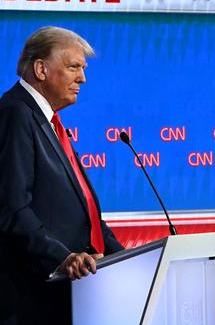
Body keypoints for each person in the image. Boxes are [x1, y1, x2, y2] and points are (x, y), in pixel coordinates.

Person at [0, 26, 123, 324]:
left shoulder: (47, 121)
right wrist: (61, 257)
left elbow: (85, 213)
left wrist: (124, 258)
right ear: (41, 69)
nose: (82, 78)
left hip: (69, 294)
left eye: (82, 68)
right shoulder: (15, 113)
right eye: (74, 67)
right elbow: (11, 208)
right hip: (31, 299)